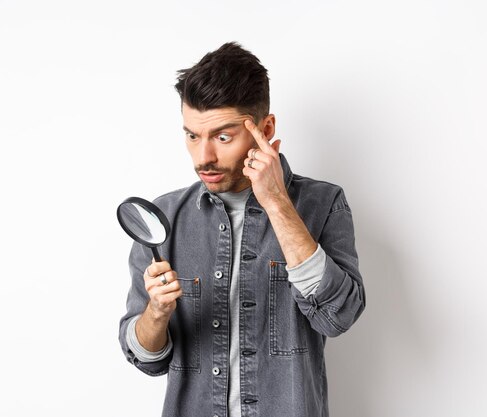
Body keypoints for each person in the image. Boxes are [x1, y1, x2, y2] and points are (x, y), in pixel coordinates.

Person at [119, 42, 365, 417]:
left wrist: (277, 203)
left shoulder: (323, 203)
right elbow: (146, 359)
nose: (204, 158)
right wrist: (156, 312)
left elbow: (338, 316)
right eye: (192, 136)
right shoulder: (164, 218)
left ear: (265, 129)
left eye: (222, 136)